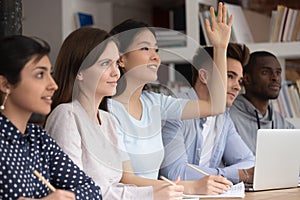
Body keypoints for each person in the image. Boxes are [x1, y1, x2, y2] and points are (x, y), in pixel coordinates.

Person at [108, 2, 233, 195]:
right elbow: (126, 179)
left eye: (156, 50)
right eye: (145, 49)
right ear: (121, 58)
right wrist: (190, 187)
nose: (155, 57)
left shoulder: (156, 102)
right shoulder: (108, 109)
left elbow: (216, 105)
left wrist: (220, 47)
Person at [45, 27, 184, 200]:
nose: (116, 72)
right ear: (80, 71)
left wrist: (157, 190)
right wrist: (150, 194)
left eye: (116, 63)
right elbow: (76, 192)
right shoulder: (67, 116)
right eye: (105, 64)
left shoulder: (108, 120)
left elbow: (115, 185)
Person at [0, 35, 101, 199]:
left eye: (50, 73)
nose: (53, 85)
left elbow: (92, 191)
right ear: (5, 84)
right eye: (40, 74)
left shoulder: (38, 138)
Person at [160, 44, 255, 194]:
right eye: (230, 76)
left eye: (240, 81)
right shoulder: (176, 111)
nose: (237, 87)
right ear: (204, 76)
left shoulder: (223, 117)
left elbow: (250, 162)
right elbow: (174, 174)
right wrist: (237, 174)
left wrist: (225, 174)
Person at [230, 51, 295, 155]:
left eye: (278, 72)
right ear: (247, 79)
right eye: (265, 72)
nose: (275, 77)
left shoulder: (280, 122)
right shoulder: (229, 116)